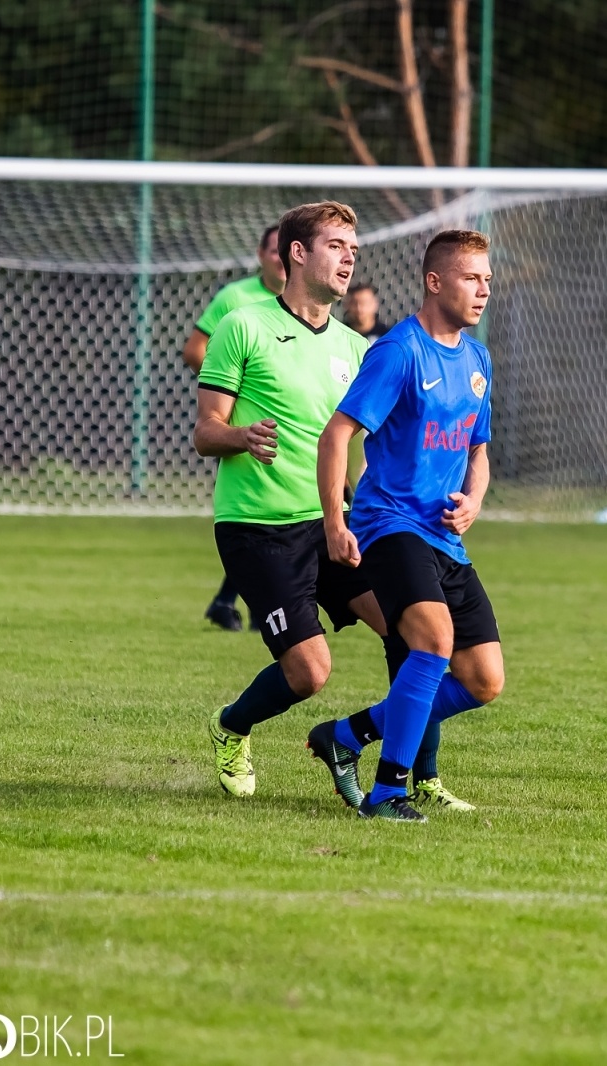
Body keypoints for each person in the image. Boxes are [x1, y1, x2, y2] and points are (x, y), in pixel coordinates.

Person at [313, 229, 503, 823]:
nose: (483, 291)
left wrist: (474, 499)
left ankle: (347, 734)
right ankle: (389, 791)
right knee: (433, 643)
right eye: (472, 278)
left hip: (446, 536)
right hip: (389, 524)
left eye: (488, 280)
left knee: (482, 681)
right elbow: (338, 434)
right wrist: (334, 520)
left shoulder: (477, 360)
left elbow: (478, 451)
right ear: (435, 281)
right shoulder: (398, 352)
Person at [192, 201, 379, 798]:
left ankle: (413, 776)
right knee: (310, 672)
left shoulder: (355, 348)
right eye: (336, 246)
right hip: (259, 529)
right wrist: (241, 437)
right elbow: (204, 431)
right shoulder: (242, 326)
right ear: (298, 253)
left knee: (415, 632)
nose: (349, 257)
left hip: (335, 522)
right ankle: (232, 727)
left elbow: (360, 451)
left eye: (353, 247)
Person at [184, 223, 288, 632]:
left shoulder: (311, 302)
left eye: (288, 249)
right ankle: (270, 610)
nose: (282, 257)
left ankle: (237, 602)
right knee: (265, 519)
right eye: (274, 250)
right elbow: (195, 350)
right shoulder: (237, 298)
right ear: (260, 255)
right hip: (247, 432)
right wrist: (231, 385)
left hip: (301, 430)